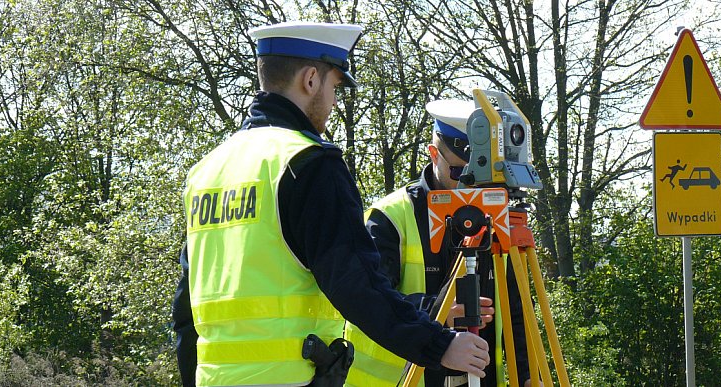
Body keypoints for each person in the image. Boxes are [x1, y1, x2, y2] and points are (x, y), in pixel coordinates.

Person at [171, 22, 490, 387]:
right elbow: (356, 283)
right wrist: (438, 344)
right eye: (335, 86)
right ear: (310, 80)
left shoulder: (207, 171)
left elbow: (185, 311)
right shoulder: (307, 162)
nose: (335, 102)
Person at [344, 100, 533, 386]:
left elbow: (515, 311)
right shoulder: (389, 218)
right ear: (433, 154)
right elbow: (367, 300)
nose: (470, 185)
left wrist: (528, 375)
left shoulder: (494, 216)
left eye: (479, 174)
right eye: (459, 172)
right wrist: (439, 310)